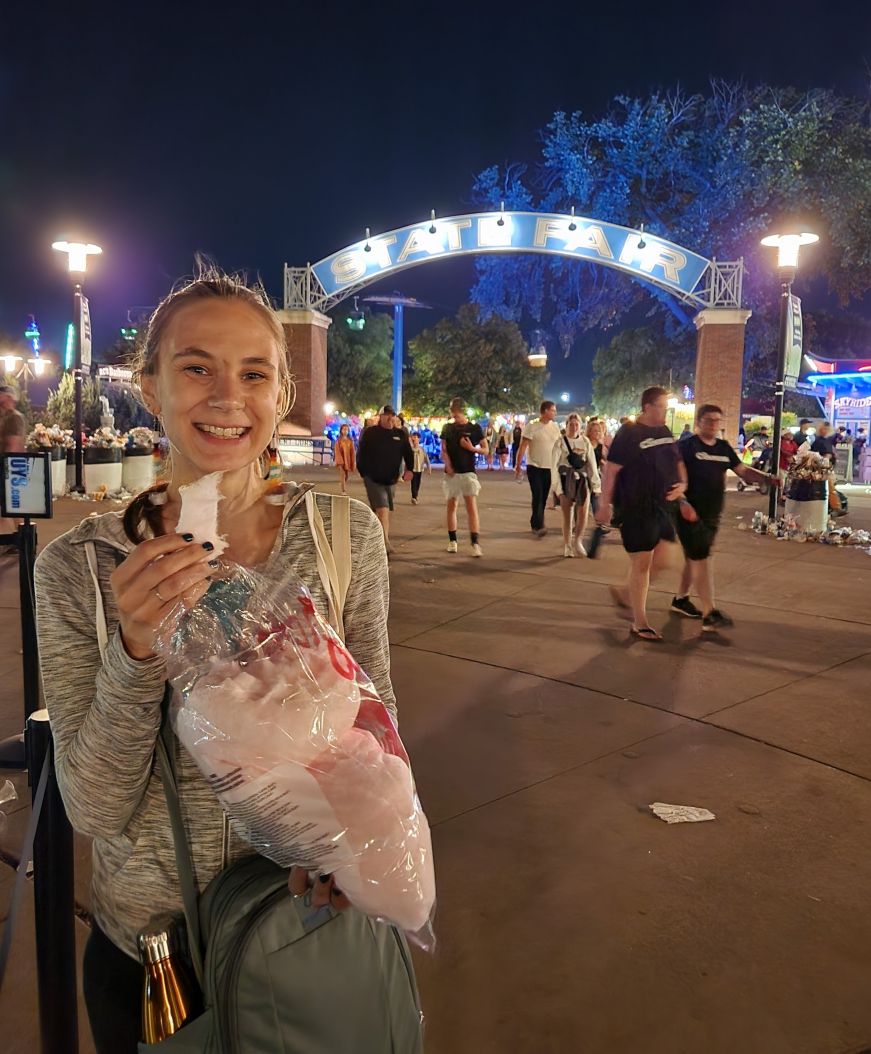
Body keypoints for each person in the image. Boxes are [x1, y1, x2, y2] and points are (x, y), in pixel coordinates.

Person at [33, 269, 410, 1053]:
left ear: (282, 392)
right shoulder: (81, 566)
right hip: (155, 957)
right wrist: (136, 650)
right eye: (196, 367)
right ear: (150, 385)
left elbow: (376, 734)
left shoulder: (341, 537)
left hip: (306, 927)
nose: (226, 397)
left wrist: (359, 846)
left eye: (253, 373)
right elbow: (95, 811)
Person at [671, 404, 780, 630]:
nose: (713, 424)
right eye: (709, 420)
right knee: (702, 558)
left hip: (713, 512)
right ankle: (709, 612)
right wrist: (682, 503)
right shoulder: (686, 447)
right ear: (699, 421)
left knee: (695, 557)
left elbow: (742, 471)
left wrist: (767, 478)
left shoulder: (723, 448)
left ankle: (681, 599)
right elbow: (672, 479)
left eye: (717, 421)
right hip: (689, 513)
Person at [595, 386, 689, 642]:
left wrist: (682, 484)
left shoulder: (664, 431)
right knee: (642, 563)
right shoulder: (629, 433)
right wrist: (604, 504)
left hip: (662, 506)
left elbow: (677, 460)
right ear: (647, 406)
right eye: (662, 406)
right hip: (635, 505)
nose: (665, 411)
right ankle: (640, 622)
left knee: (668, 557)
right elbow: (611, 470)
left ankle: (627, 595)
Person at [356, 403, 413, 554]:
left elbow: (408, 453)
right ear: (380, 417)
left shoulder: (400, 435)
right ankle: (384, 544)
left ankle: (373, 536)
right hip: (373, 479)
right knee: (383, 510)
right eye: (386, 415)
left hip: (391, 479)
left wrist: (410, 470)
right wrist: (363, 472)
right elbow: (361, 453)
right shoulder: (371, 433)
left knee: (384, 511)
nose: (390, 418)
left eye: (392, 415)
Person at [440, 397, 487, 556]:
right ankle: (452, 540)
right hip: (452, 473)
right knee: (451, 506)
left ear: (464, 412)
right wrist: (448, 465)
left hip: (468, 471)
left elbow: (486, 449)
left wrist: (471, 448)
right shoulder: (448, 428)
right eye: (453, 414)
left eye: (457, 415)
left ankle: (475, 543)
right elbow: (444, 449)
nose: (455, 418)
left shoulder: (474, 428)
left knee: (471, 507)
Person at [555, 413, 601, 557]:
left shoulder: (585, 442)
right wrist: (557, 487)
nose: (574, 427)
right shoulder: (560, 442)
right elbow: (553, 465)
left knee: (583, 513)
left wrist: (596, 485)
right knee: (567, 514)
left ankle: (578, 541)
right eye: (571, 424)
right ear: (566, 425)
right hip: (565, 479)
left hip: (582, 480)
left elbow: (592, 465)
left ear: (580, 426)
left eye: (577, 424)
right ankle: (567, 545)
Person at [514, 401, 561, 536]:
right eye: (553, 410)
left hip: (549, 467)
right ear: (545, 411)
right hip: (534, 466)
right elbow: (523, 446)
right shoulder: (532, 427)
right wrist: (518, 465)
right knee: (538, 495)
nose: (555, 413)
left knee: (544, 497)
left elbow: (559, 446)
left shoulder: (555, 427)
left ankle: (536, 521)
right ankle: (538, 525)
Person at [0, 385, 26, 544]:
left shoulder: (14, 418)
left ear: (9, 398)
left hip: (11, 466)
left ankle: (24, 540)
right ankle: (21, 539)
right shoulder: (5, 417)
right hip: (9, 465)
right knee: (10, 508)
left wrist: (9, 471)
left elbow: (14, 444)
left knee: (15, 507)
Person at [334, 422, 355, 494]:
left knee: (346, 476)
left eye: (347, 430)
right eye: (344, 429)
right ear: (341, 431)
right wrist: (340, 461)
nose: (345, 431)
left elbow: (352, 452)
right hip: (341, 461)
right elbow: (337, 451)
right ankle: (343, 490)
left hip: (347, 460)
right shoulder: (339, 441)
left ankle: (343, 484)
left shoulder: (350, 441)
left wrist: (353, 462)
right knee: (342, 474)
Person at [409, 432, 431, 504]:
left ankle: (415, 496)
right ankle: (414, 497)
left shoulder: (422, 449)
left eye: (416, 437)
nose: (414, 439)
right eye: (413, 437)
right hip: (413, 469)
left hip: (420, 469)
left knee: (418, 483)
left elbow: (426, 458)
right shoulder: (410, 449)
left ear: (419, 439)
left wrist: (429, 468)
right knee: (413, 483)